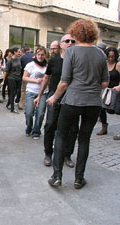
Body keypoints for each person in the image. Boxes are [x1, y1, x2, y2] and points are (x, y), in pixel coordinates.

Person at [47, 19, 109, 189]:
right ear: (93, 34)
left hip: (73, 101)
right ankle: (79, 178)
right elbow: (105, 83)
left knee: (61, 135)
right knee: (84, 139)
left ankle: (57, 176)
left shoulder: (72, 52)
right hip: (93, 103)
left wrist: (54, 97)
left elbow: (64, 82)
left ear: (75, 33)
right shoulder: (101, 54)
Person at [34, 34, 77, 167]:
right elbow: (46, 78)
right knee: (50, 124)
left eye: (73, 41)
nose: (70, 43)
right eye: (67, 41)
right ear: (61, 44)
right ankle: (48, 153)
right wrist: (40, 96)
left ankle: (67, 155)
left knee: (73, 128)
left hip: (72, 97)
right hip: (54, 96)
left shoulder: (77, 60)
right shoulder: (54, 61)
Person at [23, 46, 48, 140]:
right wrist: (35, 80)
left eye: (42, 54)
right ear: (35, 55)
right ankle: (29, 127)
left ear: (45, 55)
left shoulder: (47, 66)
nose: (40, 56)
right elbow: (24, 77)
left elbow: (49, 78)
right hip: (31, 91)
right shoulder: (30, 65)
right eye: (38, 54)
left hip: (43, 93)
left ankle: (36, 131)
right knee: (29, 113)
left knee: (40, 113)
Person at [97, 47, 120, 135]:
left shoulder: (118, 65)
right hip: (105, 90)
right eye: (109, 56)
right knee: (101, 108)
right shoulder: (104, 64)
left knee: (116, 110)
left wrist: (119, 86)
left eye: (113, 56)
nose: (111, 58)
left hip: (115, 91)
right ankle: (104, 127)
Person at [2, 47, 22, 113]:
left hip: (18, 78)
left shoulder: (19, 59)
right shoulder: (10, 61)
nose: (20, 53)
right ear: (15, 52)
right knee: (12, 92)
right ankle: (12, 108)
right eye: (18, 51)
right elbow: (6, 71)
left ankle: (8, 104)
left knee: (16, 92)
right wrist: (3, 81)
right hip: (11, 78)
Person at [19, 45, 35, 110]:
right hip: (34, 77)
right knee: (33, 90)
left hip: (25, 76)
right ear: (29, 49)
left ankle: (22, 104)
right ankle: (31, 105)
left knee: (23, 91)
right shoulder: (35, 56)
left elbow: (21, 68)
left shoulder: (22, 57)